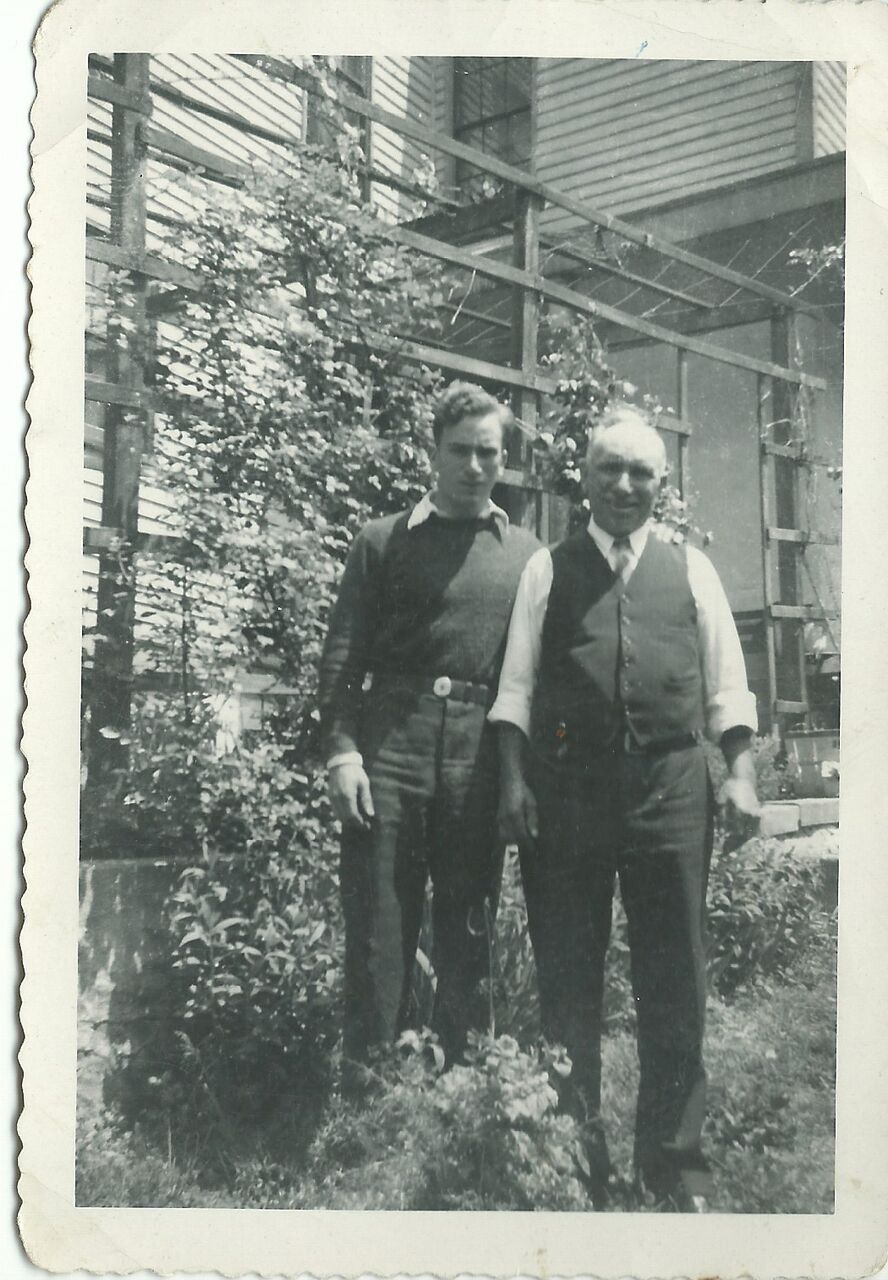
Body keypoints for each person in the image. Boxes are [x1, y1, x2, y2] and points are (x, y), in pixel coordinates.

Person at [490, 403, 760, 1210]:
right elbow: (516, 688)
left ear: (662, 486)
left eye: (641, 472)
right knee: (568, 975)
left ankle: (673, 1161)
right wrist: (513, 782)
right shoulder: (547, 571)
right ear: (584, 478)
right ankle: (574, 1154)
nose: (624, 485)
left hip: (670, 792)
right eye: (609, 468)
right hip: (568, 796)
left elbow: (728, 684)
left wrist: (740, 775)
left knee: (674, 976)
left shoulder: (692, 569)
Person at [318, 382, 540, 1090]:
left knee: (470, 916)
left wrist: (519, 776)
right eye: (460, 451)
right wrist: (342, 751)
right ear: (433, 453)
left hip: (478, 755)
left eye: (488, 453)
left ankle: (463, 1080)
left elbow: (534, 673)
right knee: (380, 921)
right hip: (392, 747)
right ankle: (370, 1083)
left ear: (502, 458)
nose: (475, 466)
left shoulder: (527, 555)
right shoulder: (382, 541)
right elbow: (343, 657)